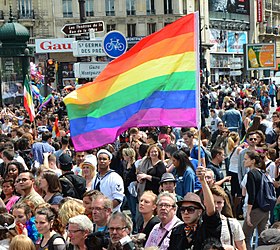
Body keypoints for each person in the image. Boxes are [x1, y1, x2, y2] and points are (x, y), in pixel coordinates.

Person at [168, 166, 222, 250]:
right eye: (182, 209)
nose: (186, 212)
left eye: (190, 209)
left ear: (200, 211)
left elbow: (211, 211)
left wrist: (203, 182)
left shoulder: (207, 226)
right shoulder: (176, 231)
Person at [242, 150, 270, 250]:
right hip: (265, 210)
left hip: (255, 210)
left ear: (253, 161)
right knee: (263, 239)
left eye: (246, 159)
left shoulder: (251, 174)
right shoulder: (262, 172)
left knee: (245, 237)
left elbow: (252, 195)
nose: (244, 161)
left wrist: (248, 214)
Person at [211, 185, 246, 250]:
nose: (216, 206)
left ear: (223, 204)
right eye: (212, 202)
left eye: (219, 202)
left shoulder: (232, 223)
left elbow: (242, 248)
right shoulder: (200, 224)